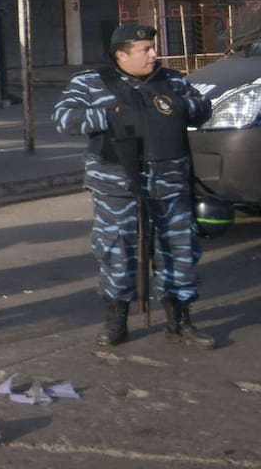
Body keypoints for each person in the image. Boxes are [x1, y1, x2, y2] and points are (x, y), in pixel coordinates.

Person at [52, 23, 215, 349]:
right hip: (117, 185)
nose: (154, 55)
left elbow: (202, 110)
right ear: (121, 55)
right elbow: (63, 118)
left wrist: (179, 106)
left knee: (179, 250)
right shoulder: (91, 82)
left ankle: (180, 321)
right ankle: (117, 320)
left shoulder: (172, 80)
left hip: (170, 183)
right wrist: (110, 116)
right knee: (118, 251)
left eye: (153, 48)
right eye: (145, 50)